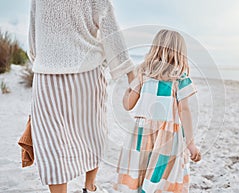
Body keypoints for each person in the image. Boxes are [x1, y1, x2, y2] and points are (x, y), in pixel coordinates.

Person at [28, 0, 134, 192]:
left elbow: (33, 29)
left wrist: (39, 58)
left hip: (46, 74)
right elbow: (110, 26)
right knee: (93, 131)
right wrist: (127, 69)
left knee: (51, 142)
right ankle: (90, 186)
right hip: (87, 70)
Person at [114, 29, 201, 193]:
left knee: (141, 169)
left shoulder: (143, 72)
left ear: (155, 48)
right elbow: (185, 111)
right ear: (180, 53)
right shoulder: (180, 77)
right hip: (168, 136)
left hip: (142, 132)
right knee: (159, 176)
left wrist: (129, 85)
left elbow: (128, 105)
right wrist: (190, 144)